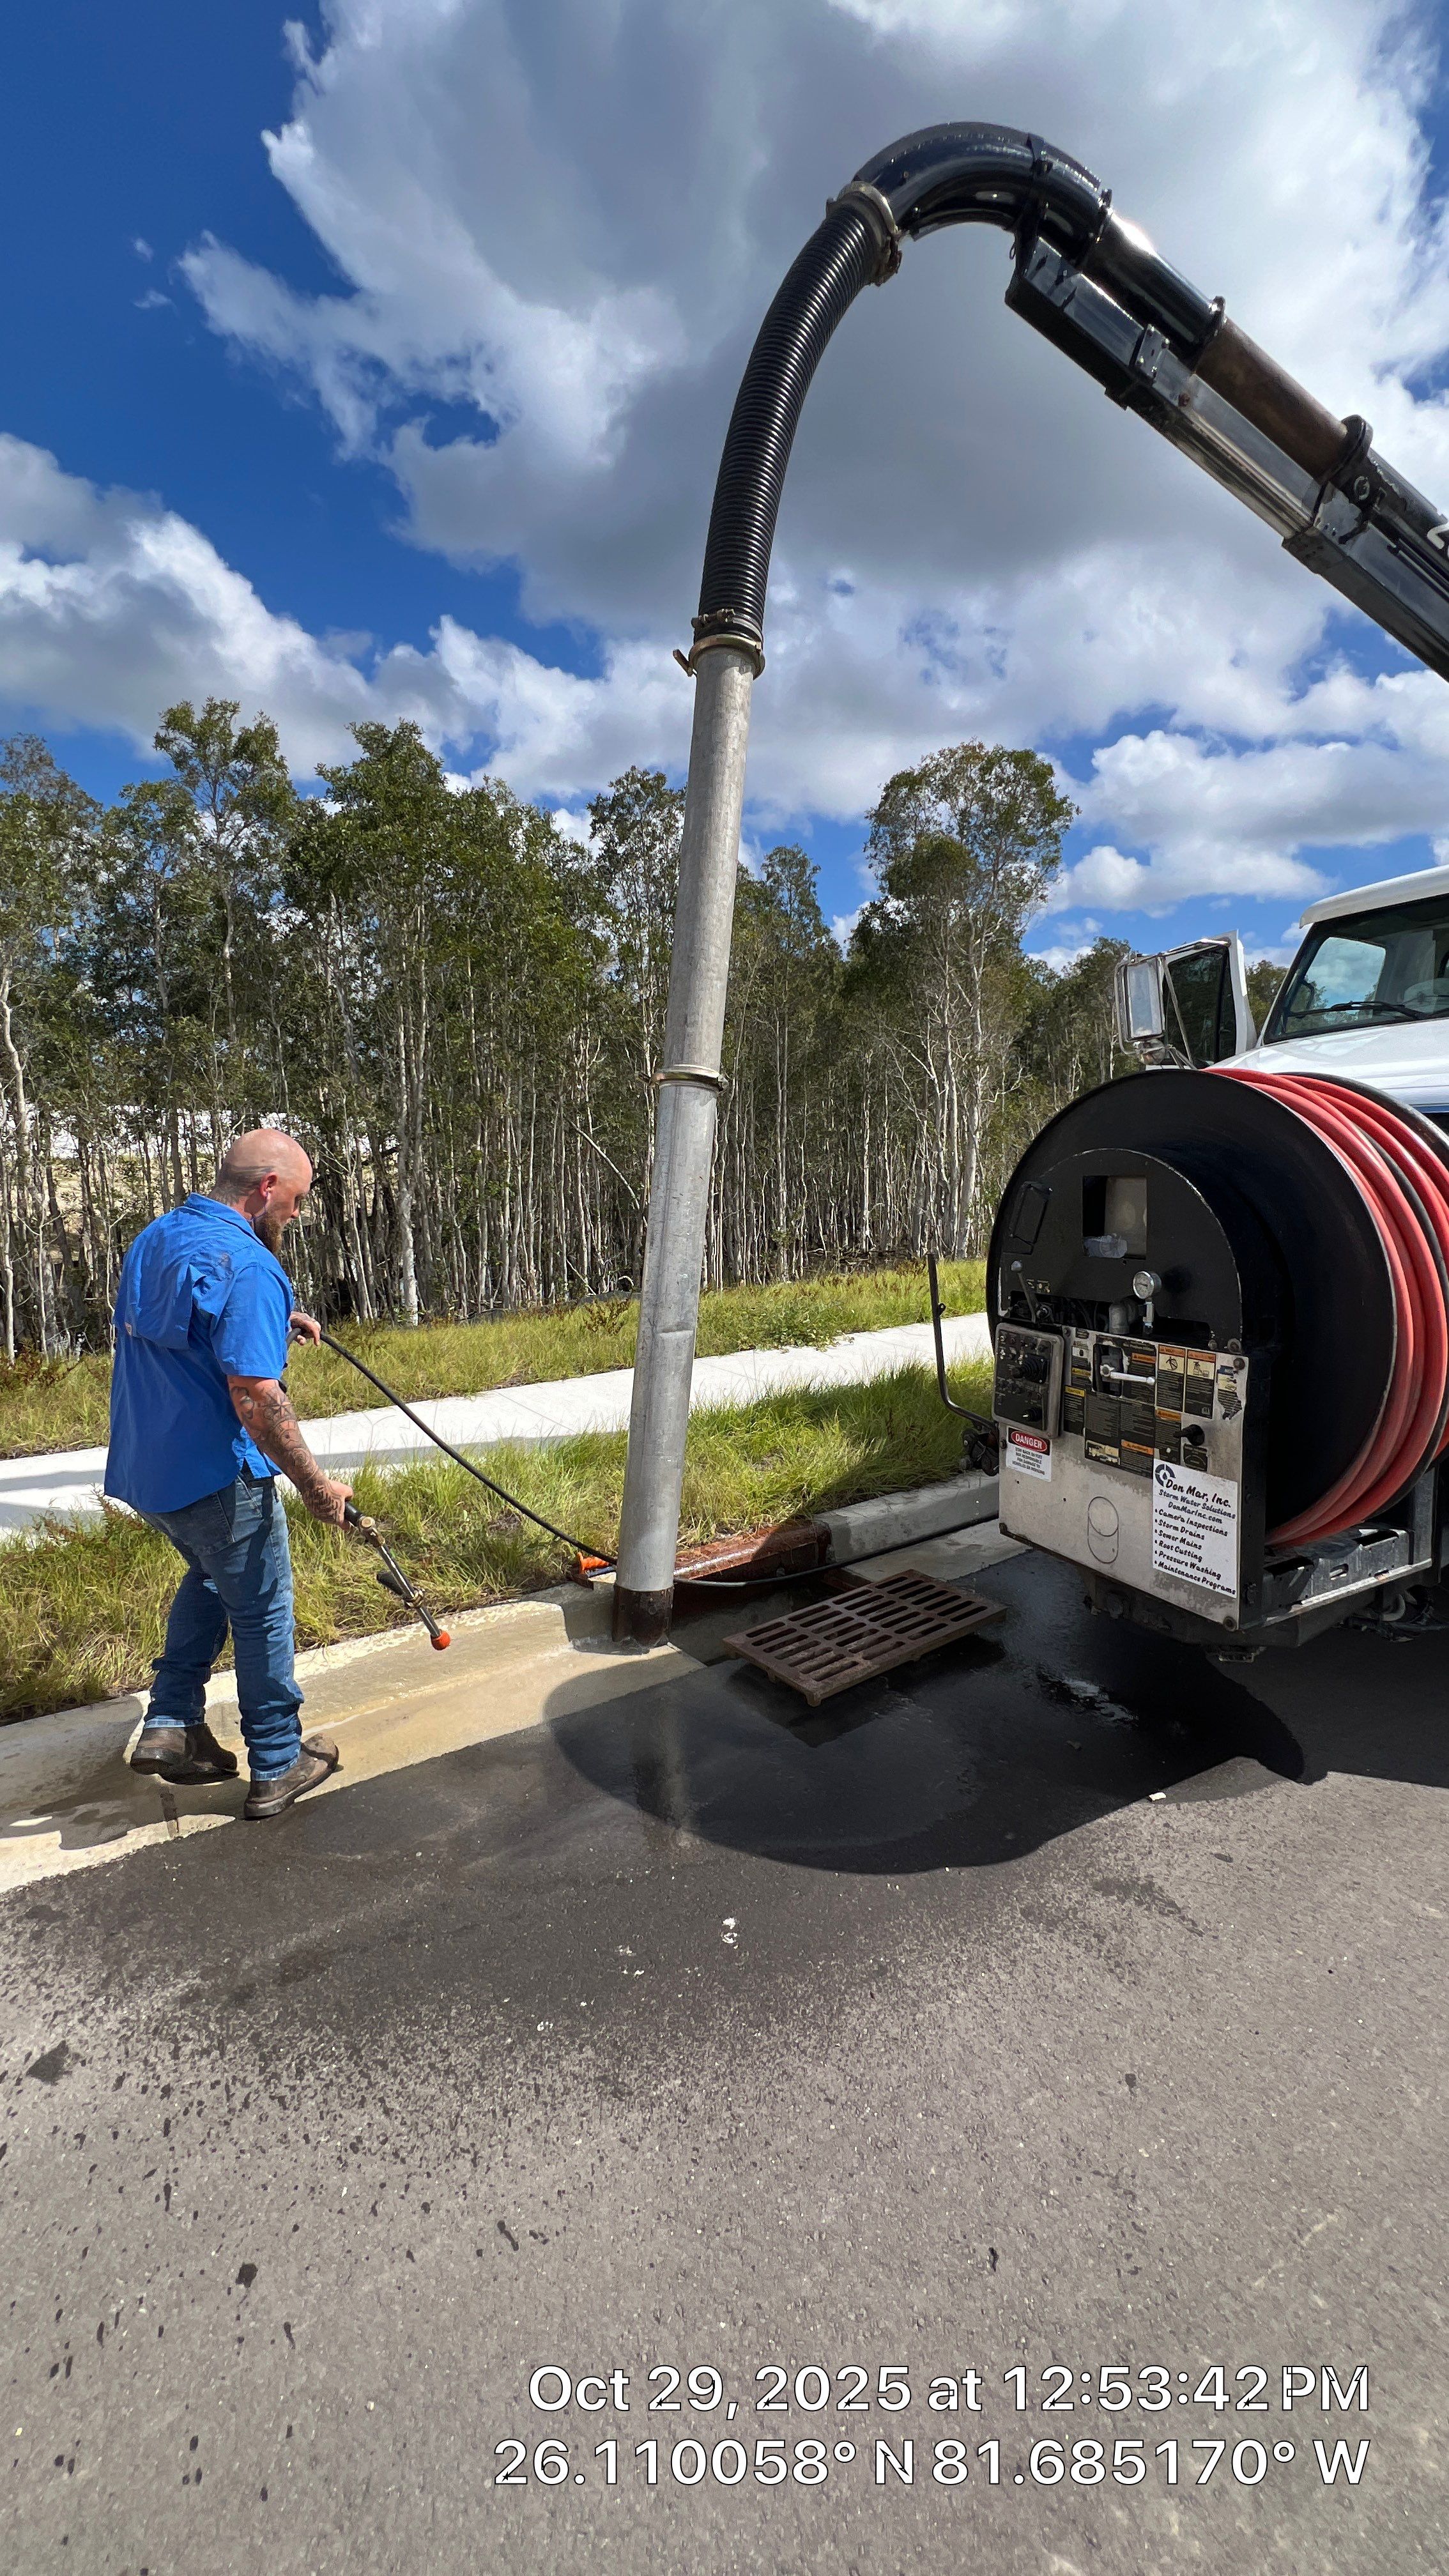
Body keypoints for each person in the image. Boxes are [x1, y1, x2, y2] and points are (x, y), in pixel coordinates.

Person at [105, 1128, 353, 1820]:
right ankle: (277, 1759)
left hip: (149, 1471)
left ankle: (171, 1723)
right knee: (263, 1608)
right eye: (297, 1200)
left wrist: (272, 1320)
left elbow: (188, 1328)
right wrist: (317, 1488)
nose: (297, 1214)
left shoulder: (157, 1237)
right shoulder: (248, 1264)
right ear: (267, 1188)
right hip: (217, 1477)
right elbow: (256, 1397)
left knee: (211, 1578)